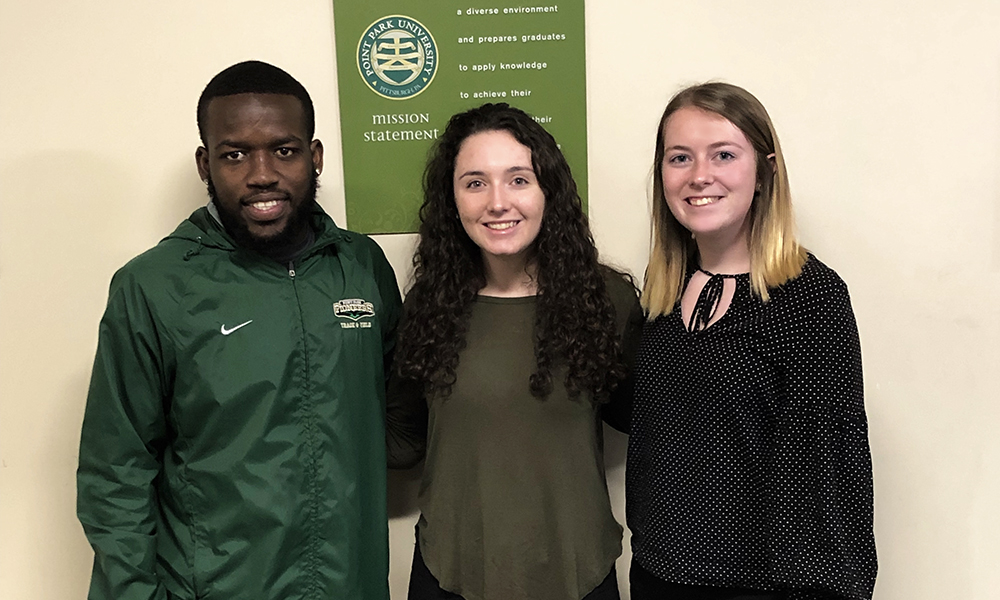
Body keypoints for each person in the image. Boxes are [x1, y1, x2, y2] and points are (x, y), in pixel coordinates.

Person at [76, 60, 401, 600]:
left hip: (352, 583)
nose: (262, 174)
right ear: (205, 164)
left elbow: (402, 407)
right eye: (235, 155)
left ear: (314, 156)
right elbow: (115, 471)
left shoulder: (362, 267)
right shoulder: (153, 286)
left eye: (284, 149)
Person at [626, 82, 877, 600]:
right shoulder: (661, 293)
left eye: (724, 154)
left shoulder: (810, 297)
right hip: (657, 574)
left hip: (761, 585)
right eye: (680, 157)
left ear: (765, 171)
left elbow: (831, 467)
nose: (700, 175)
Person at [386, 103, 643, 600]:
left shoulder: (606, 300)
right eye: (475, 182)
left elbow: (641, 419)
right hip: (451, 572)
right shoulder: (428, 305)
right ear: (452, 199)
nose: (498, 202)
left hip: (576, 571)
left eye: (519, 180)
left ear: (549, 191)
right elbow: (403, 437)